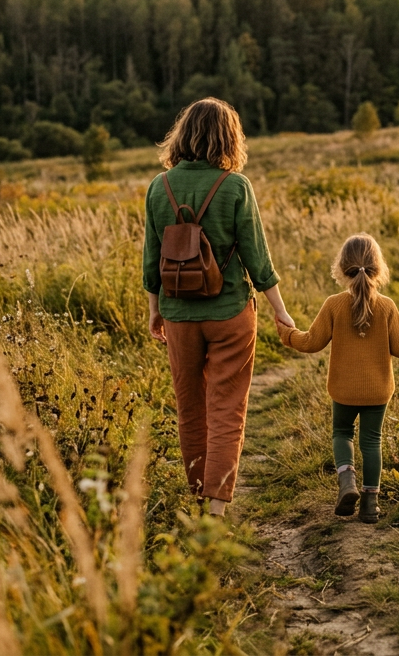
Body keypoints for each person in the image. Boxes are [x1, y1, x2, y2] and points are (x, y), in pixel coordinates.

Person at [143, 97, 294, 518]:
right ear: (229, 138)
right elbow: (257, 259)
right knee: (227, 408)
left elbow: (151, 258)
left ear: (183, 134)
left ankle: (196, 495)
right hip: (230, 314)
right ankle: (216, 506)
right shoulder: (235, 186)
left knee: (190, 407)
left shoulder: (159, 187)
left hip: (178, 314)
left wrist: (155, 309)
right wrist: (280, 310)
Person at [275, 233, 399, 523]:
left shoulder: (334, 305)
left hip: (343, 389)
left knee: (342, 433)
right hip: (378, 391)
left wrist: (286, 332)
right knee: (372, 441)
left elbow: (311, 342)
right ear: (378, 267)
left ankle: (347, 482)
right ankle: (370, 506)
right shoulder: (387, 307)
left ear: (342, 268)